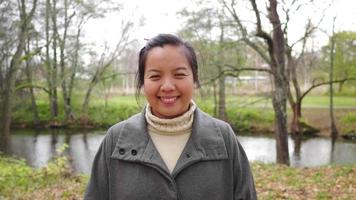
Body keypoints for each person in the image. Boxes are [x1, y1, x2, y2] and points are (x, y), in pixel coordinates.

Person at [84, 33, 257, 200]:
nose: (167, 86)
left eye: (179, 75)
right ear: (143, 83)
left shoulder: (223, 137)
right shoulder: (116, 139)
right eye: (155, 76)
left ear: (195, 80)